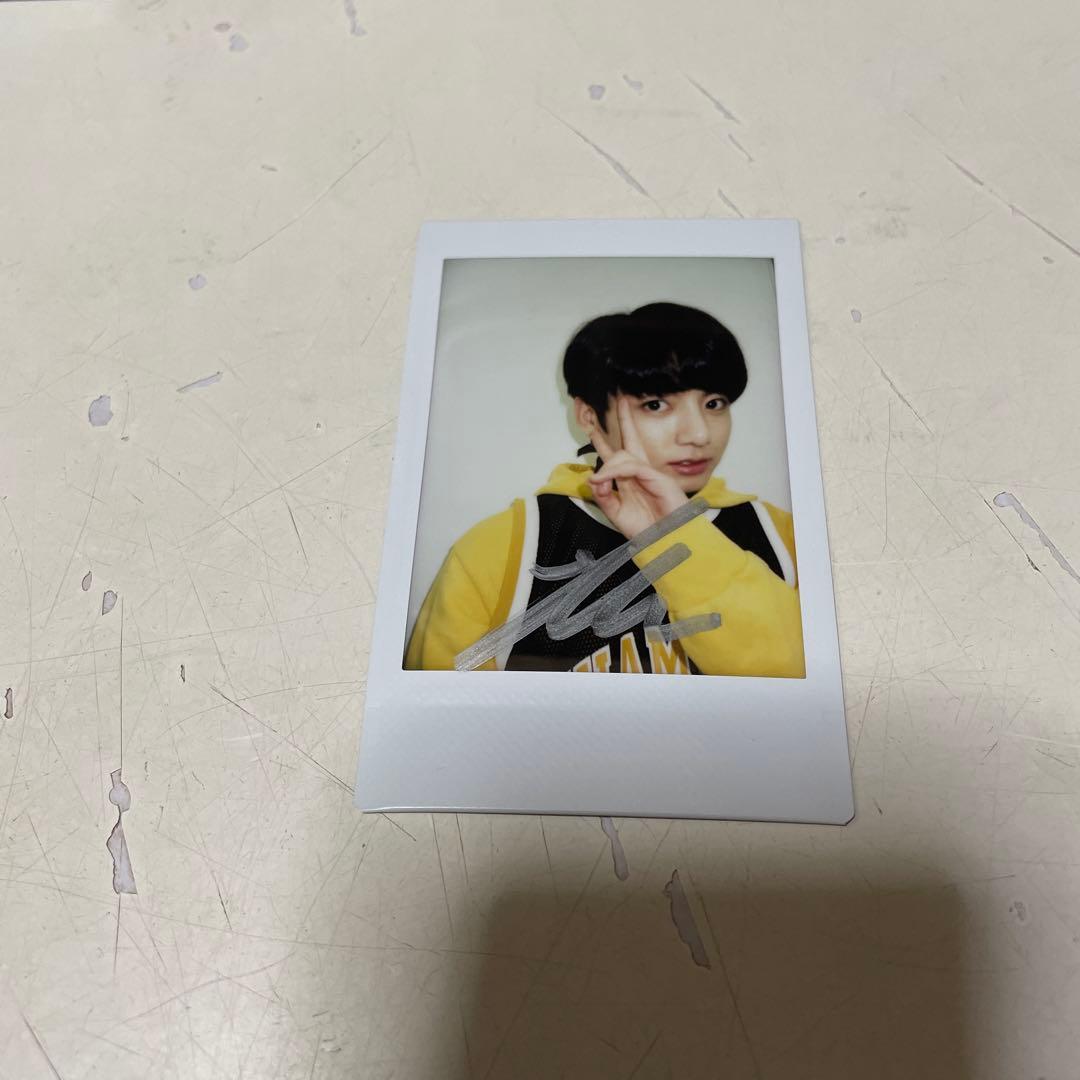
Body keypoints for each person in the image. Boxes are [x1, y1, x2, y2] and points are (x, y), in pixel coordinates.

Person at [405, 301, 805, 676]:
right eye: (656, 404)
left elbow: (810, 689)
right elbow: (444, 717)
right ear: (589, 416)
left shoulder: (784, 537)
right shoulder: (502, 548)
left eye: (714, 403)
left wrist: (678, 538)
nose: (699, 434)